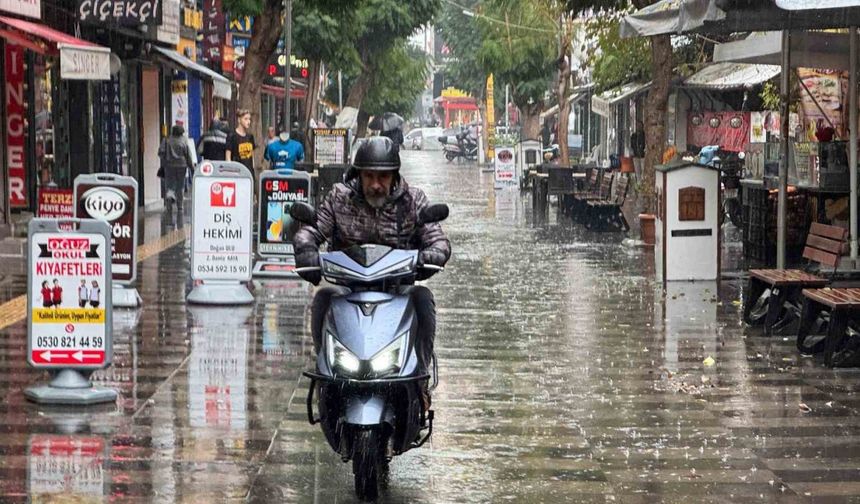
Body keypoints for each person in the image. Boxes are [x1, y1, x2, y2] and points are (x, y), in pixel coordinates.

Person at [294, 137, 451, 405]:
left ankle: (420, 380)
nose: (376, 184)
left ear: (394, 176)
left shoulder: (413, 201)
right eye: (369, 176)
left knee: (423, 298)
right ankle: (326, 375)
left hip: (397, 289)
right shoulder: (338, 199)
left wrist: (431, 255)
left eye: (383, 177)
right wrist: (306, 249)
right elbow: (311, 230)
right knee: (321, 299)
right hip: (348, 288)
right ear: (359, 175)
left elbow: (438, 240)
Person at [158, 125, 194, 214]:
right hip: (182, 165)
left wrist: (165, 159)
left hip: (169, 165)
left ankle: (169, 204)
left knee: (169, 185)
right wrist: (192, 167)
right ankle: (180, 206)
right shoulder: (184, 140)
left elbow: (160, 152)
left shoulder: (166, 140)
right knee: (180, 186)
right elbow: (188, 155)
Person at [226, 109, 256, 175]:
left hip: (249, 171)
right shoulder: (232, 136)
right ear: (239, 120)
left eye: (249, 119)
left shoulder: (250, 137)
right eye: (245, 119)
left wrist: (253, 168)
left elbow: (252, 155)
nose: (248, 122)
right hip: (237, 172)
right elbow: (228, 156)